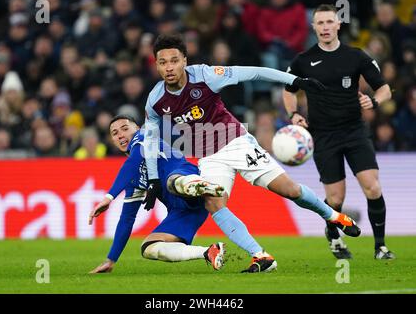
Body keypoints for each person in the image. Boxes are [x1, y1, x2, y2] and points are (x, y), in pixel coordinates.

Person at [142, 34, 360, 273]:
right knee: (214, 204)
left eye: (174, 60)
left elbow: (255, 72)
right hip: (209, 158)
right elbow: (151, 140)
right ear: (157, 65)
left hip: (236, 143)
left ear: (184, 60)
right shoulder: (155, 100)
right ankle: (261, 256)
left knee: (290, 190)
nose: (169, 67)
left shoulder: (205, 76)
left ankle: (332, 215)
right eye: (163, 62)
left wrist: (296, 81)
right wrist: (153, 180)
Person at [283, 4, 395, 260]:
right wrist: (294, 114)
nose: (324, 27)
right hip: (323, 135)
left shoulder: (355, 56)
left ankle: (380, 247)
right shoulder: (303, 60)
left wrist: (374, 101)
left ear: (338, 25)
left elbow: (384, 88)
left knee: (373, 187)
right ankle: (334, 237)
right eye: (319, 23)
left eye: (328, 22)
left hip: (355, 131)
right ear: (314, 27)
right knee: (335, 199)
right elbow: (287, 90)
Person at [88, 115, 226, 273]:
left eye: (125, 129)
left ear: (137, 129)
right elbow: (127, 219)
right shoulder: (134, 178)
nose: (120, 135)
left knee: (172, 182)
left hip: (184, 176)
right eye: (114, 133)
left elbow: (133, 161)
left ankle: (201, 186)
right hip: (184, 212)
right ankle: (209, 252)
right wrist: (110, 260)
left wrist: (109, 197)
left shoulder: (145, 137)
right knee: (148, 247)